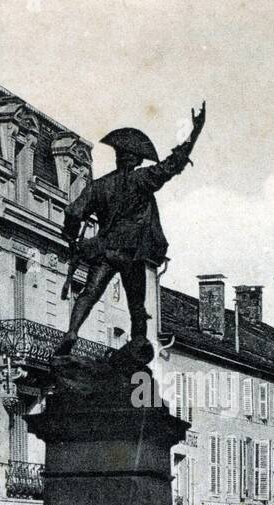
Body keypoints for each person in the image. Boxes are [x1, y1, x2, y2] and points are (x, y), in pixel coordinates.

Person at [59, 103, 207, 354]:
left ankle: (72, 331)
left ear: (118, 156)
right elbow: (172, 165)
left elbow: (73, 212)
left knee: (89, 293)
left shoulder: (99, 185)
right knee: (136, 302)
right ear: (136, 159)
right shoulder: (142, 179)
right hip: (131, 251)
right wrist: (194, 135)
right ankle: (139, 340)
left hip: (105, 248)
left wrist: (72, 239)